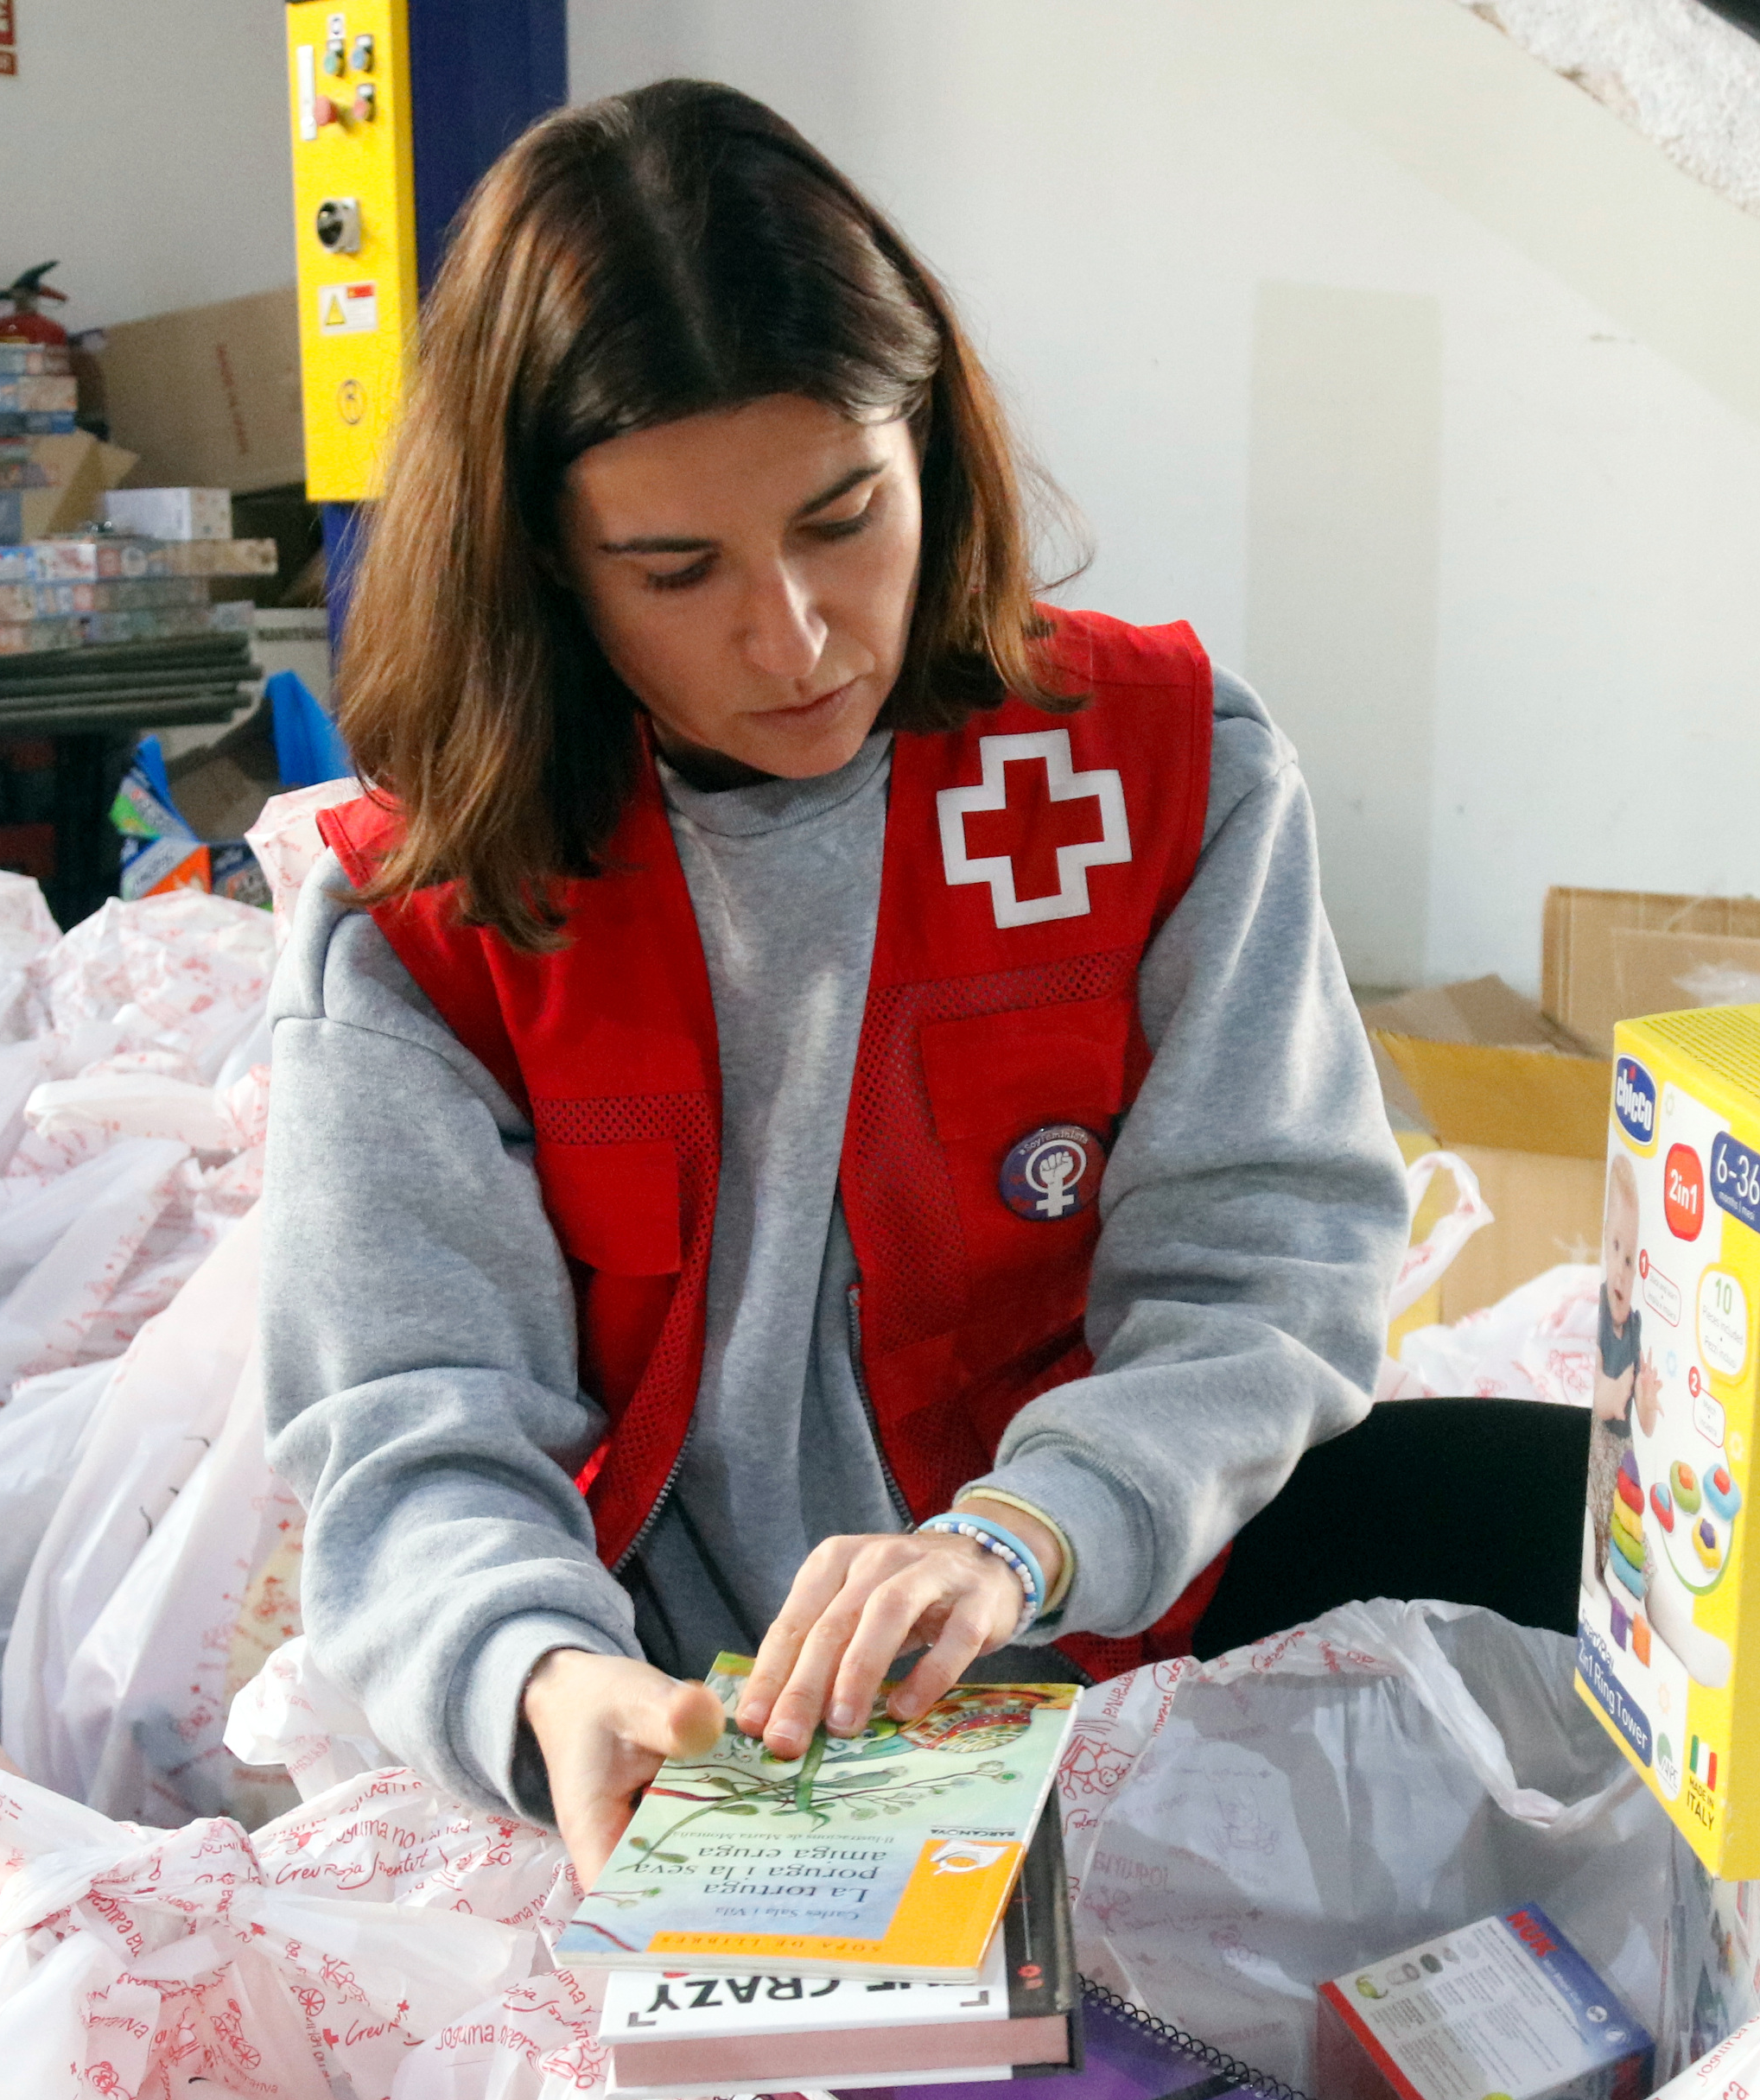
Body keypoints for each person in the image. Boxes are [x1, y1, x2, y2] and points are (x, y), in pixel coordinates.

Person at [264, 79, 1585, 1884]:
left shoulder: (1157, 766)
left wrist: (1016, 1539)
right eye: (678, 570)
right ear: (544, 573)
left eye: (842, 516)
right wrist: (546, 1677)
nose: (796, 637)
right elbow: (415, 1420)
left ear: (931, 449)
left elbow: (1266, 1272)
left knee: (1621, 1524)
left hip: (1123, 1610)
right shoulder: (436, 904)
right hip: (706, 1724)